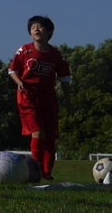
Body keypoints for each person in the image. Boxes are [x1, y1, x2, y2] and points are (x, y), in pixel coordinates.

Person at [9, 16, 71, 182]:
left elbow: (64, 78)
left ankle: (46, 173)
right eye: (33, 27)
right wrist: (19, 82)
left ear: (49, 32)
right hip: (28, 95)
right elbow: (12, 70)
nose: (36, 29)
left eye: (40, 26)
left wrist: (68, 100)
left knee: (50, 136)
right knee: (37, 132)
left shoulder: (55, 54)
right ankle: (35, 171)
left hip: (48, 96)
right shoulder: (25, 50)